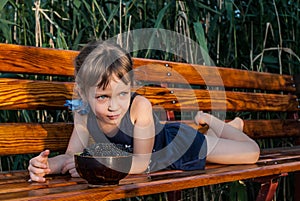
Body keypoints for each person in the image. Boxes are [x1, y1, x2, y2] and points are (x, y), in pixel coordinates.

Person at [28, 40, 260, 182]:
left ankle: (216, 123)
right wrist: (47, 167)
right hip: (148, 157)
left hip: (179, 147)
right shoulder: (83, 112)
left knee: (251, 154)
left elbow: (141, 162)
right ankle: (222, 130)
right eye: (102, 97)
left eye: (122, 94)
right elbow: (72, 156)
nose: (113, 106)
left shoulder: (140, 108)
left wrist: (94, 166)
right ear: (82, 92)